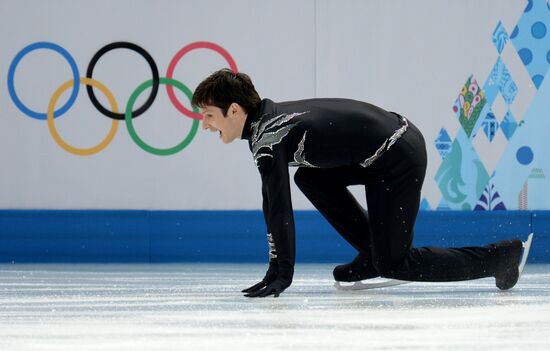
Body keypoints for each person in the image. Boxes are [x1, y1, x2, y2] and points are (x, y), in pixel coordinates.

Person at [191, 68, 524, 298]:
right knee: (309, 177)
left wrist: (281, 274)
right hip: (387, 146)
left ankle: (501, 257)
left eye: (208, 116)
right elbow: (274, 202)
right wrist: (277, 267)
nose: (205, 126)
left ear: (234, 110)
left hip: (397, 159)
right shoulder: (268, 120)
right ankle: (371, 252)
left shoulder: (265, 137)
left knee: (394, 263)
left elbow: (277, 206)